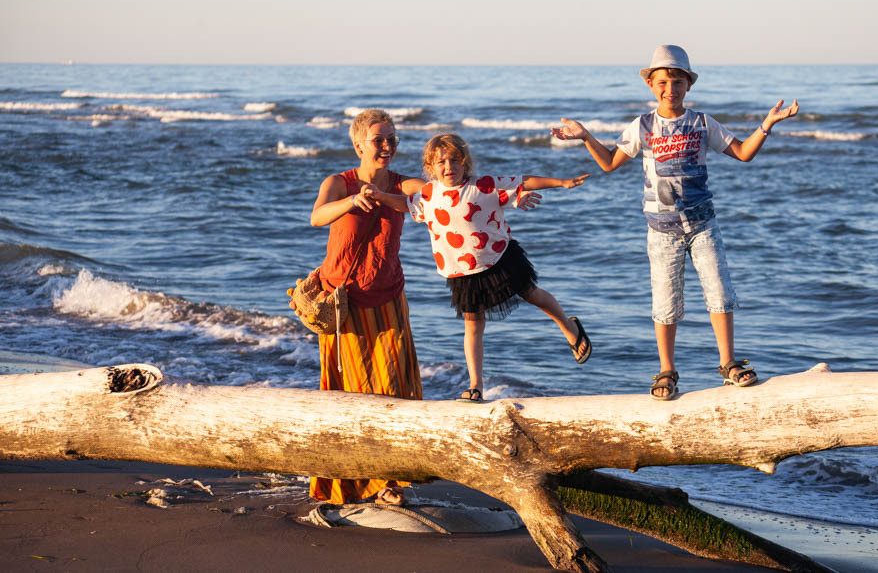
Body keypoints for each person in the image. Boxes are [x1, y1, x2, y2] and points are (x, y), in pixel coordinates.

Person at [551, 44, 799, 400]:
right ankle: (667, 370)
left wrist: (768, 124)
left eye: (678, 81)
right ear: (652, 85)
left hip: (703, 225)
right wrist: (586, 136)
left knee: (719, 292)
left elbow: (743, 153)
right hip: (661, 231)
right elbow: (608, 163)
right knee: (666, 303)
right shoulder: (643, 126)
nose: (671, 89)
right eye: (663, 81)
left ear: (689, 85)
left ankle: (728, 364)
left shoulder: (701, 123)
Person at [369, 133, 592, 403]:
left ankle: (569, 327)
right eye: (441, 162)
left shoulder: (483, 186)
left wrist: (561, 183)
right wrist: (380, 196)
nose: (448, 166)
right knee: (473, 325)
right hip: (462, 271)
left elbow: (523, 181)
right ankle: (475, 385)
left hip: (498, 257)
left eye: (454, 160)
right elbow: (405, 205)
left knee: (532, 294)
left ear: (465, 163)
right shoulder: (428, 194)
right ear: (430, 168)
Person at [305, 108, 424, 506]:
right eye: (379, 140)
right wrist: (354, 201)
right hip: (344, 304)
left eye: (393, 139)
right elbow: (317, 216)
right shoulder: (339, 182)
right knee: (351, 394)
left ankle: (389, 480)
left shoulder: (402, 184)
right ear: (359, 145)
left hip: (389, 298)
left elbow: (430, 202)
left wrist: (385, 197)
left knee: (392, 389)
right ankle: (352, 481)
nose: (388, 146)